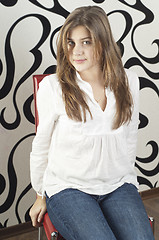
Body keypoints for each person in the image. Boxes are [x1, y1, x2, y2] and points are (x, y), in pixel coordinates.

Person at [29, 6, 154, 240]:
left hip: (118, 185)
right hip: (68, 188)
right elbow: (41, 146)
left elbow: (129, 138)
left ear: (103, 42)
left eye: (86, 42)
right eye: (71, 42)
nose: (76, 51)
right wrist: (40, 195)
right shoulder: (53, 87)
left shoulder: (129, 82)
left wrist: (128, 186)